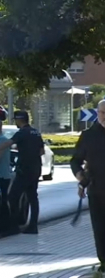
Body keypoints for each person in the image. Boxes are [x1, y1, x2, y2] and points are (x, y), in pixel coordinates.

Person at [0, 111, 44, 235]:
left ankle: (13, 227)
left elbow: (8, 144)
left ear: (20, 120)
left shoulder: (22, 133)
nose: (15, 123)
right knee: (32, 197)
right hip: (36, 169)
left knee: (13, 197)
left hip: (24, 169)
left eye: (15, 120)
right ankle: (33, 226)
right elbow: (41, 151)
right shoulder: (36, 132)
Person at [70, 100, 105, 277]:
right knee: (100, 230)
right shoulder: (89, 136)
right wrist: (81, 178)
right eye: (103, 112)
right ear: (97, 113)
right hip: (97, 190)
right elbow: (75, 161)